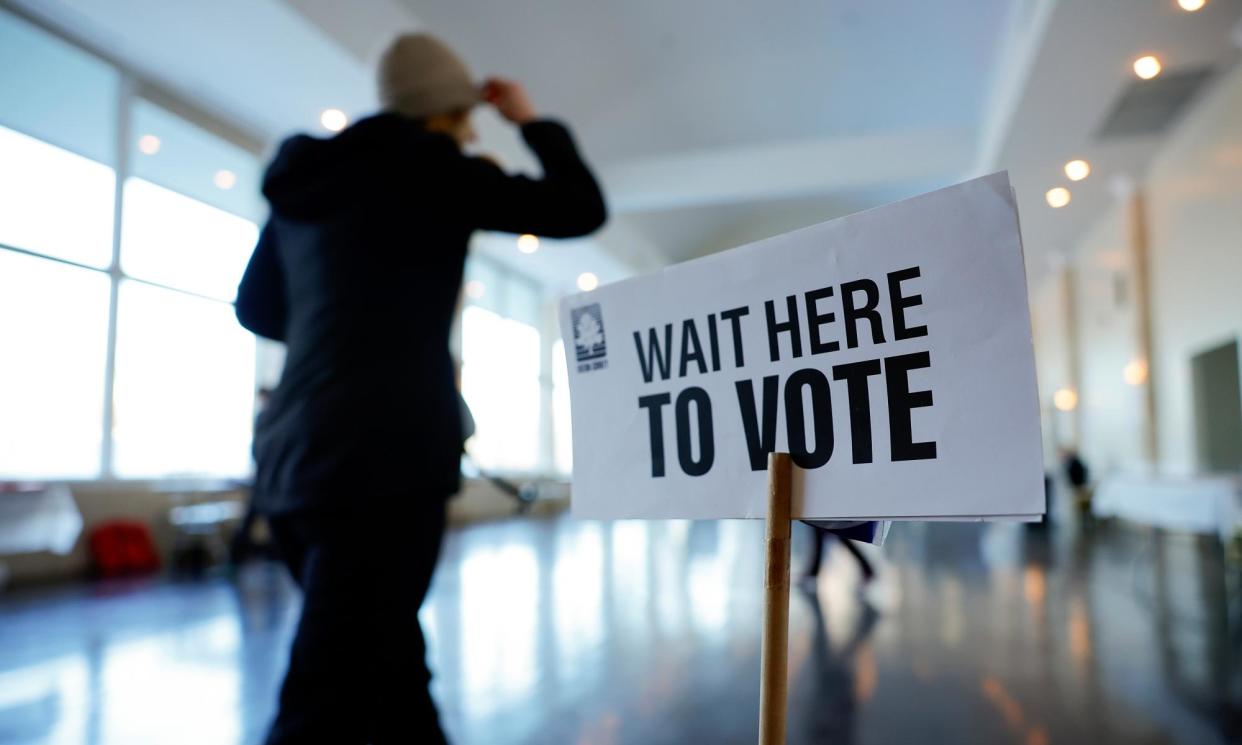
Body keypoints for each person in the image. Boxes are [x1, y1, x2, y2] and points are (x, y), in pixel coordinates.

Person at [234, 33, 607, 745]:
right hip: (384, 458)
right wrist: (528, 119)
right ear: (452, 110)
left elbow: (256, 308)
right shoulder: (431, 167)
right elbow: (579, 207)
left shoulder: (302, 181)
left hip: (289, 455)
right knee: (324, 688)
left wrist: (339, 324)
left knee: (383, 653)